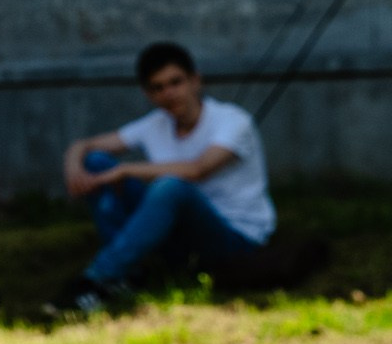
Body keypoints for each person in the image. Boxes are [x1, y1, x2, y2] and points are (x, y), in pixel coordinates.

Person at [56, 41, 274, 313]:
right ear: (148, 93)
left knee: (170, 187)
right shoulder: (157, 123)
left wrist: (127, 170)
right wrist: (73, 164)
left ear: (195, 81)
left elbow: (197, 170)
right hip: (179, 234)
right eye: (157, 88)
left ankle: (98, 277)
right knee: (97, 163)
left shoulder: (233, 121)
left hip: (234, 236)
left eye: (175, 83)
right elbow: (87, 145)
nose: (168, 94)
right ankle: (126, 274)